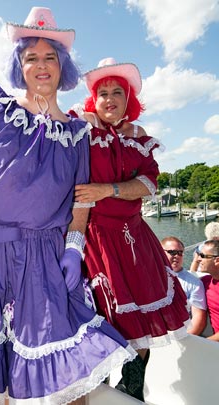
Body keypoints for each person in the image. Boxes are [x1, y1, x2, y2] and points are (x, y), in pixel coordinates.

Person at [0, 7, 137, 405]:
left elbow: (81, 201)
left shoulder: (76, 134)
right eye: (30, 57)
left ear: (62, 65)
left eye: (49, 57)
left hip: (44, 263)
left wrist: (72, 249)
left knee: (68, 383)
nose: (41, 66)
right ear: (19, 65)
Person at [70, 57, 190, 402]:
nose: (109, 99)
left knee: (141, 317)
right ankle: (98, 383)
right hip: (94, 238)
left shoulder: (140, 140)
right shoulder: (83, 131)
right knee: (98, 314)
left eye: (117, 92)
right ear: (94, 99)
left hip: (134, 239)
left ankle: (132, 385)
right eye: (102, 92)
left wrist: (108, 190)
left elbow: (149, 183)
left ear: (128, 100)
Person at [161, 236, 207, 335]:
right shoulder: (149, 278)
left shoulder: (194, 283)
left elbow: (198, 318)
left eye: (180, 253)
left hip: (182, 335)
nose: (177, 256)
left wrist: (186, 341)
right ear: (160, 252)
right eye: (172, 252)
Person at [197, 239, 219, 341]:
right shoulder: (204, 281)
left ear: (217, 260)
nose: (198, 259)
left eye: (203, 256)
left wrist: (204, 344)